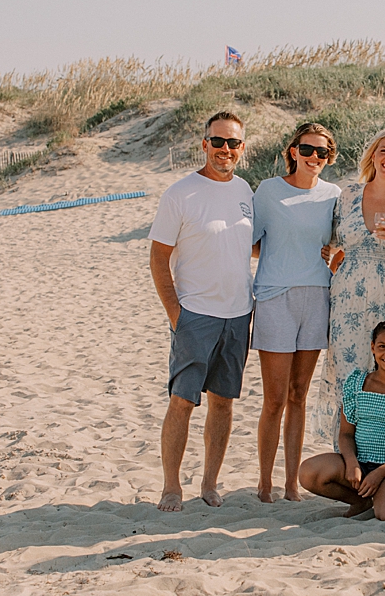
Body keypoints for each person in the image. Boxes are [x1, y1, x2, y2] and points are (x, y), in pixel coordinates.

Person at [150, 112, 256, 511]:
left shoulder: (246, 190)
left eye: (233, 143)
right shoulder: (180, 193)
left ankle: (210, 483)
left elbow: (246, 243)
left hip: (238, 314)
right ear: (204, 144)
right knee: (182, 401)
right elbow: (159, 257)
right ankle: (171, 487)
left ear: (242, 148)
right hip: (194, 314)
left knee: (224, 402)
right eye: (218, 142)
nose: (224, 150)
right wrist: (175, 313)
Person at [250, 122, 344, 502]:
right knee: (273, 398)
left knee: (299, 395)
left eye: (322, 152)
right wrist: (281, 258)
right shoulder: (269, 191)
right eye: (307, 150)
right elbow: (252, 243)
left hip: (317, 296)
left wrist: (332, 256)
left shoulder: (333, 194)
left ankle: (291, 484)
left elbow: (339, 244)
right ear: (293, 151)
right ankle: (264, 482)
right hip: (275, 296)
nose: (314, 158)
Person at [316, 128, 385, 451]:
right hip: (348, 301)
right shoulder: (348, 194)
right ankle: (346, 459)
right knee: (349, 377)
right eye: (383, 151)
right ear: (372, 156)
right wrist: (333, 261)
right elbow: (332, 243)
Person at [297, 320, 385, 518]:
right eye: (382, 347)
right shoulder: (357, 384)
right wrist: (352, 463)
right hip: (358, 464)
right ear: (372, 348)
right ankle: (361, 501)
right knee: (308, 472)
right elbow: (346, 434)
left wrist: (380, 473)